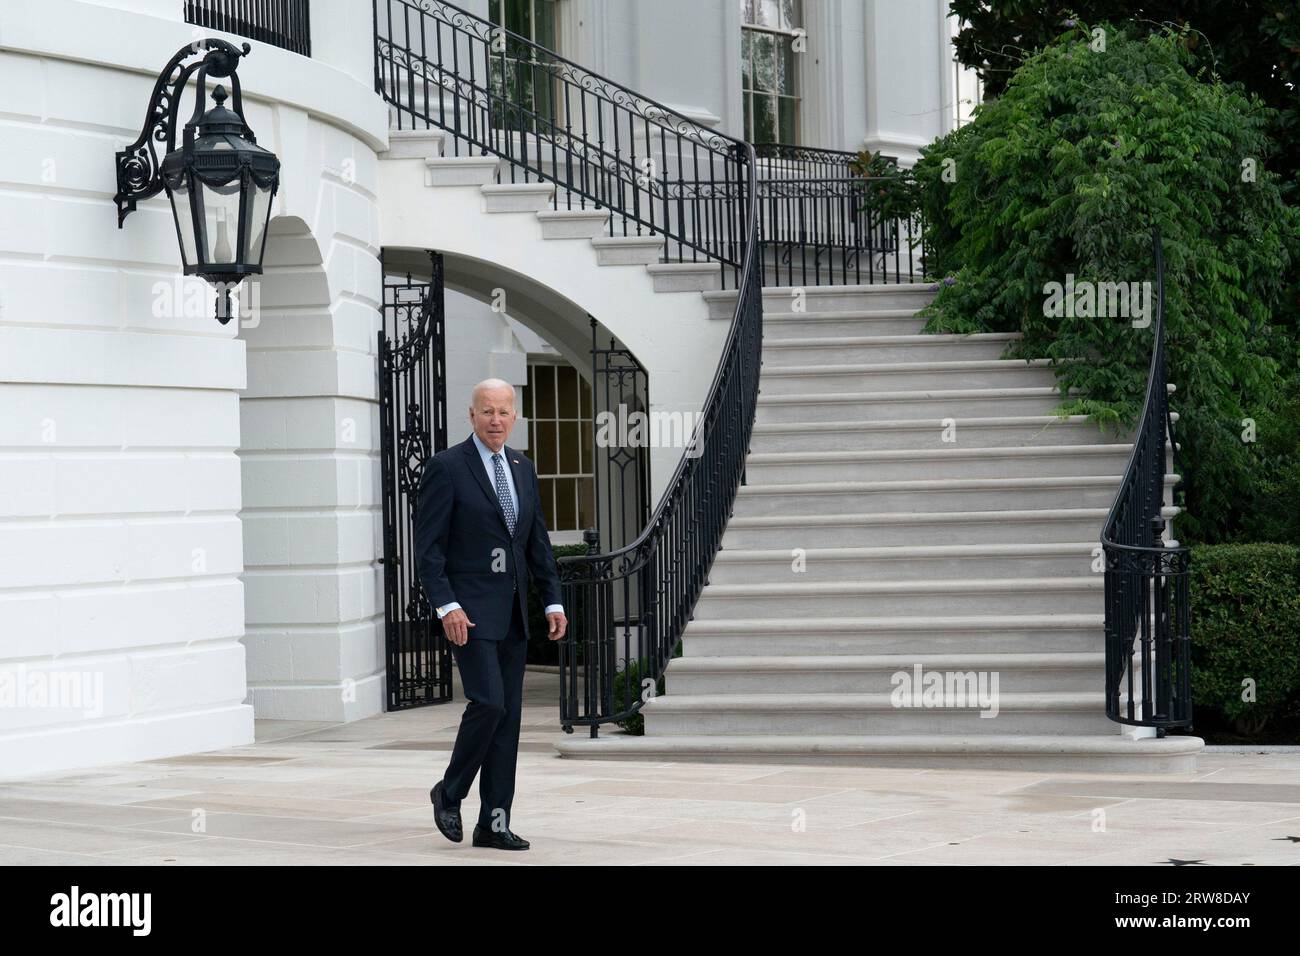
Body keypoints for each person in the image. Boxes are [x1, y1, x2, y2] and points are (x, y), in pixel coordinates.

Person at [414, 377, 567, 850]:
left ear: (514, 416)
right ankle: (450, 791)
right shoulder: (447, 468)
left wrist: (553, 598)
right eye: (487, 411)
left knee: (508, 720)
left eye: (503, 411)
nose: (495, 420)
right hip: (470, 613)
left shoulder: (522, 467)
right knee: (489, 703)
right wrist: (447, 604)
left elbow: (535, 540)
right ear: (472, 415)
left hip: (516, 614)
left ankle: (493, 823)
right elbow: (429, 548)